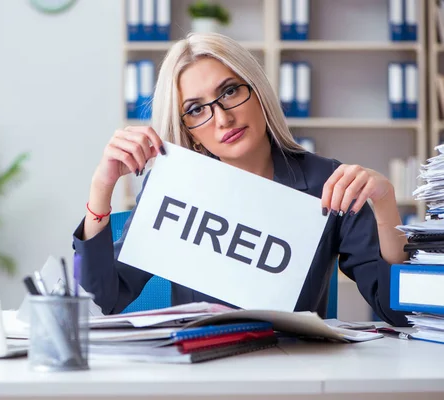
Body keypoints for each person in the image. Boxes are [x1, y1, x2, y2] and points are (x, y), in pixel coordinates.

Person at [72, 32, 409, 326]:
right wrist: (102, 188)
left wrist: (384, 205)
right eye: (196, 109)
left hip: (292, 372)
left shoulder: (328, 183)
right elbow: (100, 300)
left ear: (258, 91)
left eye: (230, 91)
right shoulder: (176, 187)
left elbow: (399, 313)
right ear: (190, 133)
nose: (223, 118)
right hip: (203, 373)